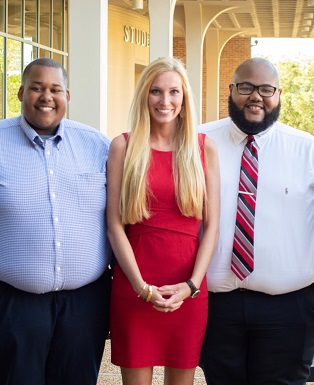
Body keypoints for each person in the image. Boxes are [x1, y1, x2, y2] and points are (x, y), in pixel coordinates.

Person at [0, 58, 112, 385]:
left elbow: (122, 219)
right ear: (21, 92)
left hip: (85, 303)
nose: (46, 96)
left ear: (68, 95)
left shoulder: (98, 146)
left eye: (55, 89)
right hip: (9, 303)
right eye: (37, 87)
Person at [198, 57, 314, 385]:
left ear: (279, 94)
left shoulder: (313, 152)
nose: (256, 97)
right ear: (231, 90)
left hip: (292, 308)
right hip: (214, 307)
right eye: (246, 87)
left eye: (266, 89)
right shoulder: (196, 143)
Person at [107, 57, 220, 385]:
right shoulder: (123, 146)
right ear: (145, 96)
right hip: (135, 283)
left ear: (184, 99)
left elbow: (211, 226)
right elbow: (115, 225)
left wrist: (192, 286)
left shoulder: (203, 148)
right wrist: (142, 288)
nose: (165, 100)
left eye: (174, 92)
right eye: (156, 91)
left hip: (188, 287)